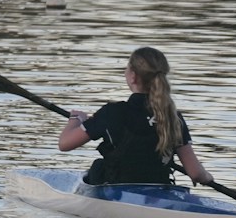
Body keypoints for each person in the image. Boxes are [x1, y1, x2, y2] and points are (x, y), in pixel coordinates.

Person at [59, 46, 213, 187]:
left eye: (127, 68)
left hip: (116, 188)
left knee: (98, 167)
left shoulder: (112, 112)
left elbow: (64, 144)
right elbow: (195, 173)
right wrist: (207, 177)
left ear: (133, 76)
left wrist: (76, 119)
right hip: (159, 189)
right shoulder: (173, 117)